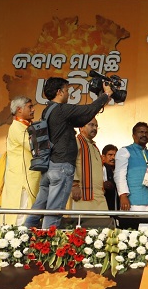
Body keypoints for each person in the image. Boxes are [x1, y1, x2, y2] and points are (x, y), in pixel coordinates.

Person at [24, 77, 112, 229]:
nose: (68, 94)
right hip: (61, 167)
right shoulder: (61, 109)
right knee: (54, 211)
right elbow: (88, 111)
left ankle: (24, 235)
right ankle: (46, 245)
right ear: (59, 92)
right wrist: (105, 95)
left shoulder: (48, 111)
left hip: (50, 167)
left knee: (38, 208)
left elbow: (83, 118)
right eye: (66, 90)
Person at [0, 96, 39, 225]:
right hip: (21, 180)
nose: (33, 110)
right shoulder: (17, 127)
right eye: (30, 107)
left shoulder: (27, 126)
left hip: (29, 177)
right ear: (19, 110)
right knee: (21, 215)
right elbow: (32, 145)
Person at [70, 118, 108, 226]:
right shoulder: (76, 142)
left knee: (103, 228)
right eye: (91, 125)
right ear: (81, 127)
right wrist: (74, 185)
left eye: (96, 126)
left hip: (99, 195)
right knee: (83, 228)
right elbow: (70, 163)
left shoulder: (94, 146)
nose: (94, 128)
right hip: (83, 194)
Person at [116, 122, 148, 212]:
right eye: (141, 132)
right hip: (131, 202)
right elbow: (119, 175)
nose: (144, 135)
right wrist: (123, 195)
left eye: (146, 132)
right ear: (133, 135)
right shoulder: (125, 151)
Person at [102, 144, 118, 213]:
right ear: (103, 157)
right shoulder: (101, 168)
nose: (113, 158)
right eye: (110, 155)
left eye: (115, 155)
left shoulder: (118, 170)